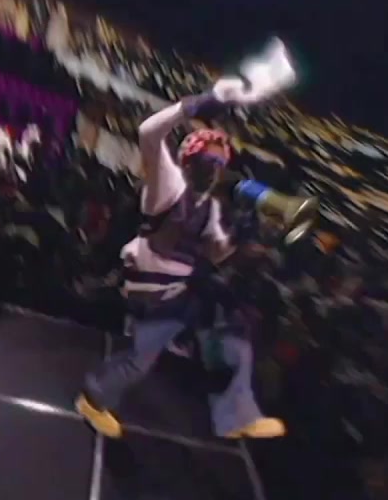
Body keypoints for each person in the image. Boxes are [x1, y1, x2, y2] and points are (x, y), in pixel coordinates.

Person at [75, 78, 286, 439]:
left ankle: (237, 417)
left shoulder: (210, 208)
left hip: (177, 293)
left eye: (219, 162)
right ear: (190, 161)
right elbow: (149, 131)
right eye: (209, 160)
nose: (215, 167)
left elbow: (217, 253)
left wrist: (247, 234)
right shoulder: (169, 185)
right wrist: (203, 101)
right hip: (151, 289)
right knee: (150, 356)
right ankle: (95, 400)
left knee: (227, 344)